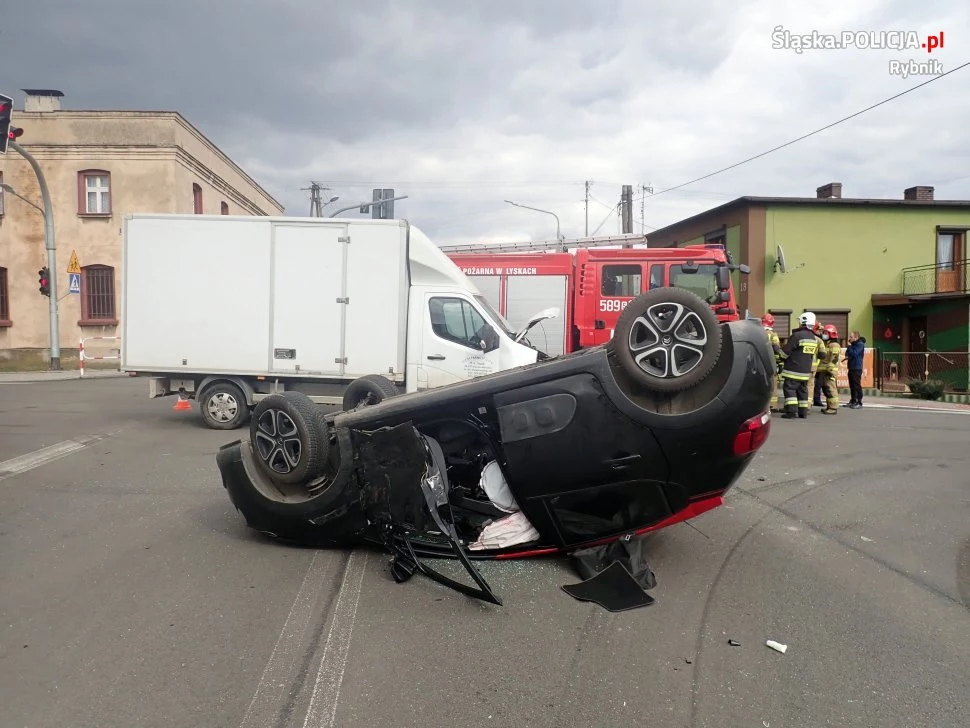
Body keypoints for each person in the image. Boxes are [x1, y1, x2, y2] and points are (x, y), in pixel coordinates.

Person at [778, 311, 821, 419]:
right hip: (805, 371)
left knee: (790, 389)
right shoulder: (812, 337)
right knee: (802, 391)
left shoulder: (797, 335)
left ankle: (791, 412)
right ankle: (803, 413)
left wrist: (779, 357)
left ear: (803, 321)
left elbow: (786, 352)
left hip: (793, 370)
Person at [817, 324, 842, 414]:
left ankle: (833, 407)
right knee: (826, 389)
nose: (824, 334)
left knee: (831, 389)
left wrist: (830, 370)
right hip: (825, 371)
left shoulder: (834, 345)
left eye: (826, 333)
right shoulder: (828, 344)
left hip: (829, 371)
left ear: (831, 334)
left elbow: (834, 358)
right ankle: (829, 406)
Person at [761, 313, 782, 411]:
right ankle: (772, 405)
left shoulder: (758, 332)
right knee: (772, 383)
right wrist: (779, 363)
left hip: (759, 362)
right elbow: (777, 350)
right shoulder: (773, 335)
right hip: (770, 362)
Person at [845, 330, 866, 408]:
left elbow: (854, 353)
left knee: (857, 385)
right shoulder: (852, 344)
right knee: (852, 385)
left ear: (856, 337)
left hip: (857, 367)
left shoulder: (860, 344)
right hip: (851, 366)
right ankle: (853, 400)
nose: (849, 338)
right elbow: (847, 353)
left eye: (851, 337)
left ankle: (859, 402)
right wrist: (849, 349)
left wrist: (850, 347)